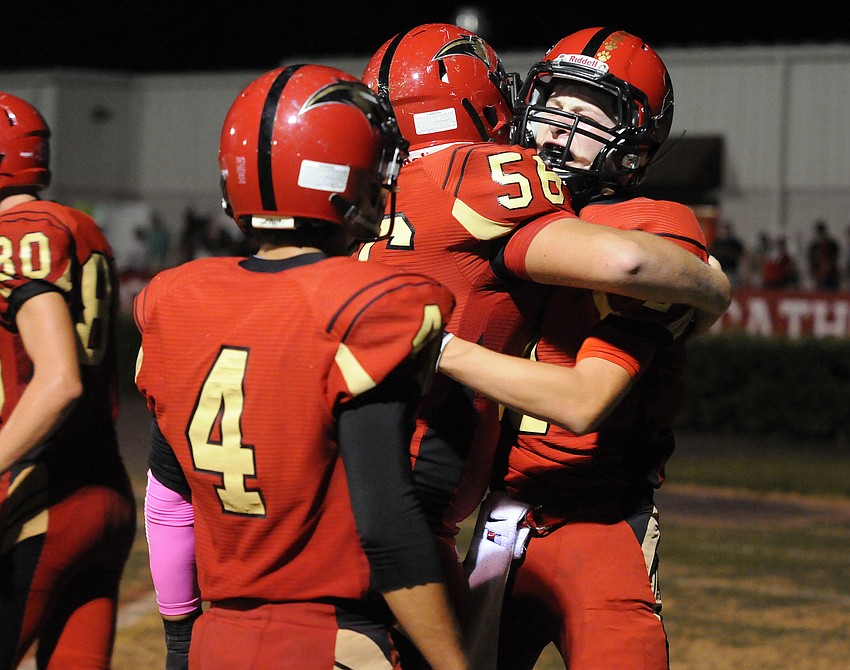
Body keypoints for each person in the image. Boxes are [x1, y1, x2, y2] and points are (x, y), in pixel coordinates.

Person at [357, 21, 730, 619]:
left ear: (635, 142)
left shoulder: (647, 218)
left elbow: (587, 393)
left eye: (594, 113)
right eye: (556, 104)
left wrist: (437, 347)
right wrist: (713, 286)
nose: (564, 126)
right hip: (486, 508)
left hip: (592, 510)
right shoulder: (504, 187)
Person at [134, 64, 467, 670]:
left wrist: (182, 643)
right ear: (350, 182)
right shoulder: (371, 302)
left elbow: (167, 502)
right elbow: (387, 525)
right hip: (329, 639)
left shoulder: (174, 300)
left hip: (219, 640)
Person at [0, 92, 136, 669]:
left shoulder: (17, 236)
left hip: (42, 498)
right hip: (104, 490)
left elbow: (58, 380)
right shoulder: (81, 227)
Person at [806, 218, 839, 290]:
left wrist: (827, 269)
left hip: (831, 276)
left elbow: (834, 259)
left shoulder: (832, 245)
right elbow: (810, 261)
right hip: (818, 276)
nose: (820, 235)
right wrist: (814, 273)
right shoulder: (813, 246)